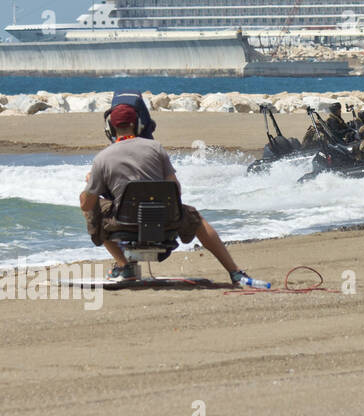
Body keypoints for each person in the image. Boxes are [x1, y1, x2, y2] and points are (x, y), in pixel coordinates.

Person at [79, 104, 263, 286]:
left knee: (90, 206)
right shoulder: (156, 148)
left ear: (110, 128)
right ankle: (234, 272)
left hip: (124, 222)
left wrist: (91, 183)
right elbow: (175, 189)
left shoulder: (102, 159)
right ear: (137, 125)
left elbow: (87, 205)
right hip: (165, 220)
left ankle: (125, 266)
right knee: (196, 218)